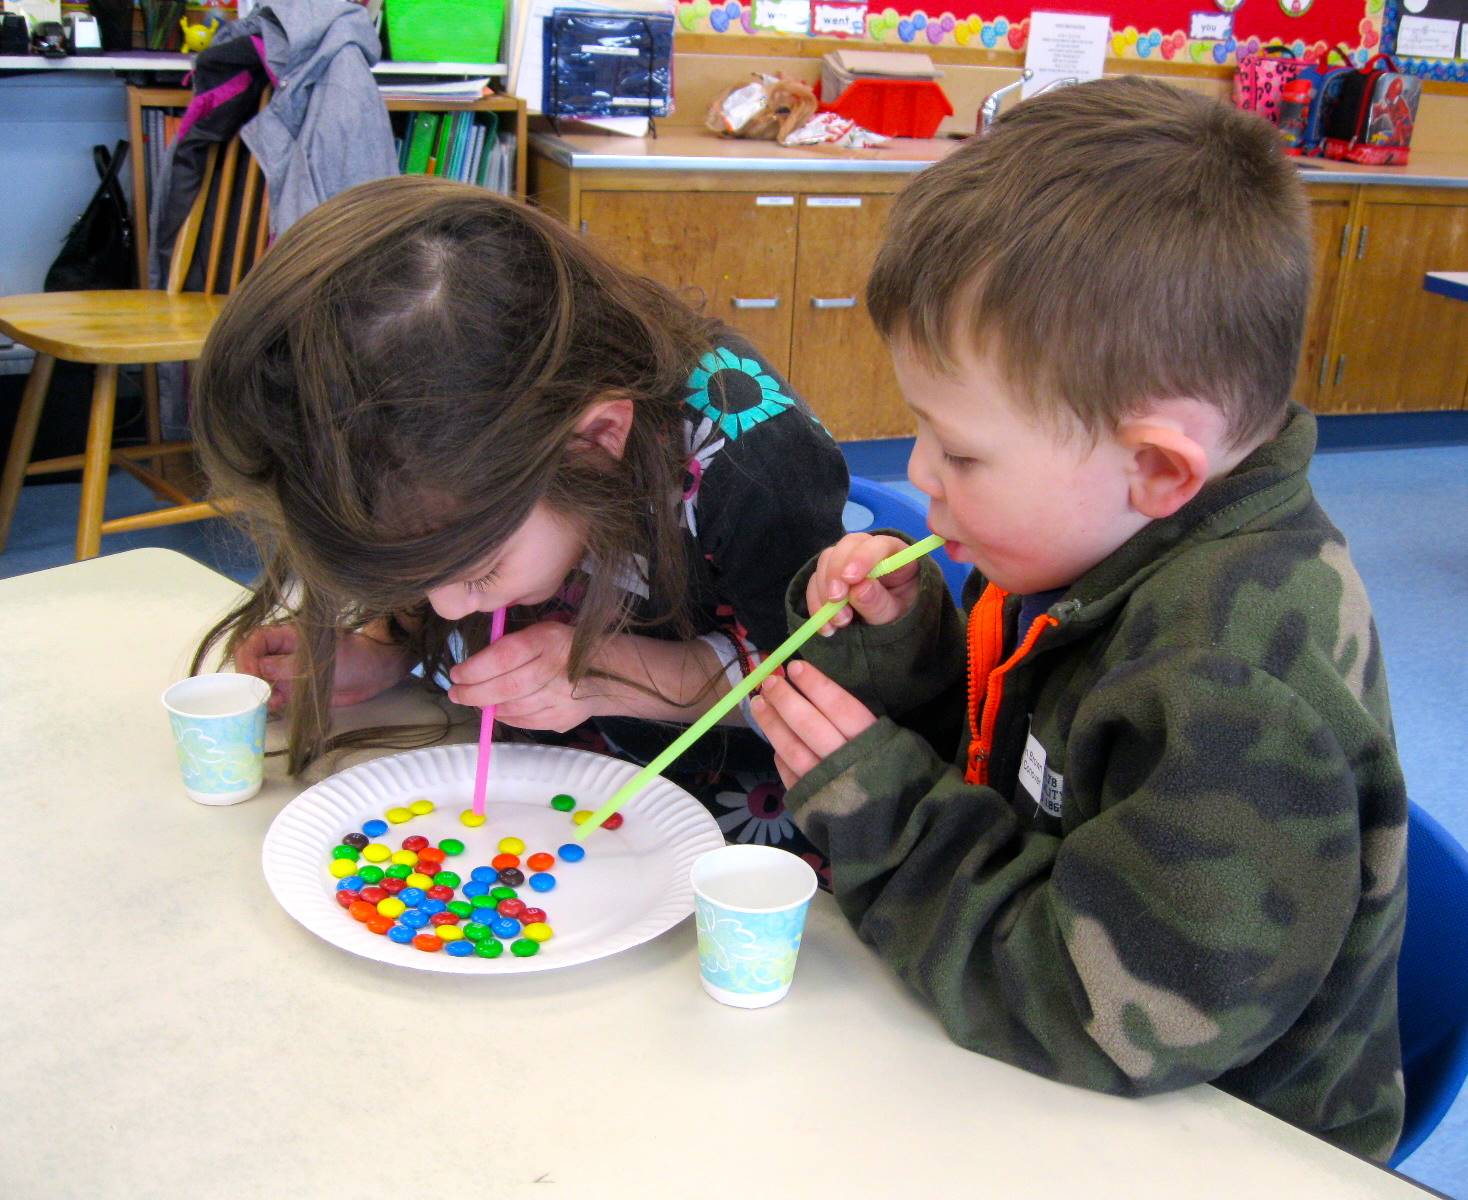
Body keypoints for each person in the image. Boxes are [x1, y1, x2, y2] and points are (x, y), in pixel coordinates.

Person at [751, 77, 1407, 1160]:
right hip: (1052, 1070)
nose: (918, 475)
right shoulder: (1087, 539)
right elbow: (1003, 767)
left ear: (1153, 466)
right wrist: (892, 645)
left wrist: (890, 825)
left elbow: (1104, 1015)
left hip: (1222, 1144)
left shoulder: (1233, 679)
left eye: (959, 452)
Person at [190, 175, 847, 865]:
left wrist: (609, 673)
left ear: (593, 443)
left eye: (478, 570)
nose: (443, 601)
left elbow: (817, 685)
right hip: (551, 805)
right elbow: (439, 581)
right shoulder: (454, 445)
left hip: (741, 835)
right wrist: (390, 643)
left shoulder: (755, 459)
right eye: (421, 579)